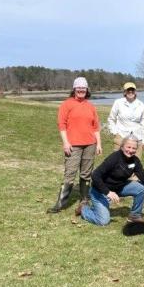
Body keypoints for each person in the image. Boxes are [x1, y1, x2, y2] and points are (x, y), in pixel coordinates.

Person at [78, 136, 144, 226]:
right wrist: (108, 192)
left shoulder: (135, 161)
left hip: (118, 188)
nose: (131, 150)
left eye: (134, 148)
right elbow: (95, 175)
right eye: (128, 147)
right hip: (100, 191)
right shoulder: (114, 158)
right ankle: (83, 209)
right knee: (103, 221)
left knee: (142, 188)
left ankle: (135, 216)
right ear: (122, 146)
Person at [47, 77, 102, 213]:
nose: (81, 90)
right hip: (73, 145)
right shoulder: (67, 104)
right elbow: (62, 125)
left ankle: (84, 199)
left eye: (83, 88)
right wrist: (65, 142)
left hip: (90, 144)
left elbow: (96, 127)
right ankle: (60, 204)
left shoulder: (90, 106)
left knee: (86, 174)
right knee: (70, 173)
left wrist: (99, 144)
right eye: (78, 88)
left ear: (87, 90)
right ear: (74, 89)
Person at [107, 82, 144, 156]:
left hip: (137, 137)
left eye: (132, 90)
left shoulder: (141, 104)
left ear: (135, 92)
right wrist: (115, 133)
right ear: (124, 92)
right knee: (119, 162)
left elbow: (142, 123)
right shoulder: (118, 103)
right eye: (128, 90)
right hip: (121, 136)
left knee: (135, 163)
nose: (130, 92)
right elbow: (111, 119)